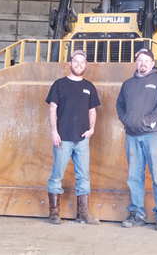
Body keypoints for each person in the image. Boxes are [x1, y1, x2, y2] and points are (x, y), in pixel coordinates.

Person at [116, 48, 157, 231]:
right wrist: (126, 120)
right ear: (136, 63)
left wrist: (148, 121)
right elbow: (120, 105)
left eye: (146, 60)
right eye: (140, 60)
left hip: (153, 136)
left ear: (152, 63)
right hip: (132, 136)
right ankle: (137, 214)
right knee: (134, 177)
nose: (143, 63)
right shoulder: (128, 84)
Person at [45, 50, 101, 225]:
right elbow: (52, 108)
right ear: (70, 63)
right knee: (57, 175)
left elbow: (93, 110)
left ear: (86, 65)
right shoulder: (59, 84)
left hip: (82, 140)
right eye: (76, 61)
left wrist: (91, 129)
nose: (79, 64)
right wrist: (54, 132)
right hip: (63, 139)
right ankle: (54, 213)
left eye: (82, 61)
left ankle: (82, 214)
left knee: (84, 177)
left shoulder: (89, 87)